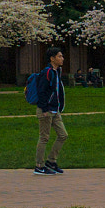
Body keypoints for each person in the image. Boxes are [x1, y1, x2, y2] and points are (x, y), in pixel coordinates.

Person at [28, 48, 69, 176]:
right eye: (59, 56)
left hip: (55, 110)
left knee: (63, 135)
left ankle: (51, 161)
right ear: (52, 58)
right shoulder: (47, 72)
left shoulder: (57, 71)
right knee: (44, 137)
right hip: (45, 110)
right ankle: (39, 166)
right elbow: (42, 92)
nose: (62, 58)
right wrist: (44, 109)